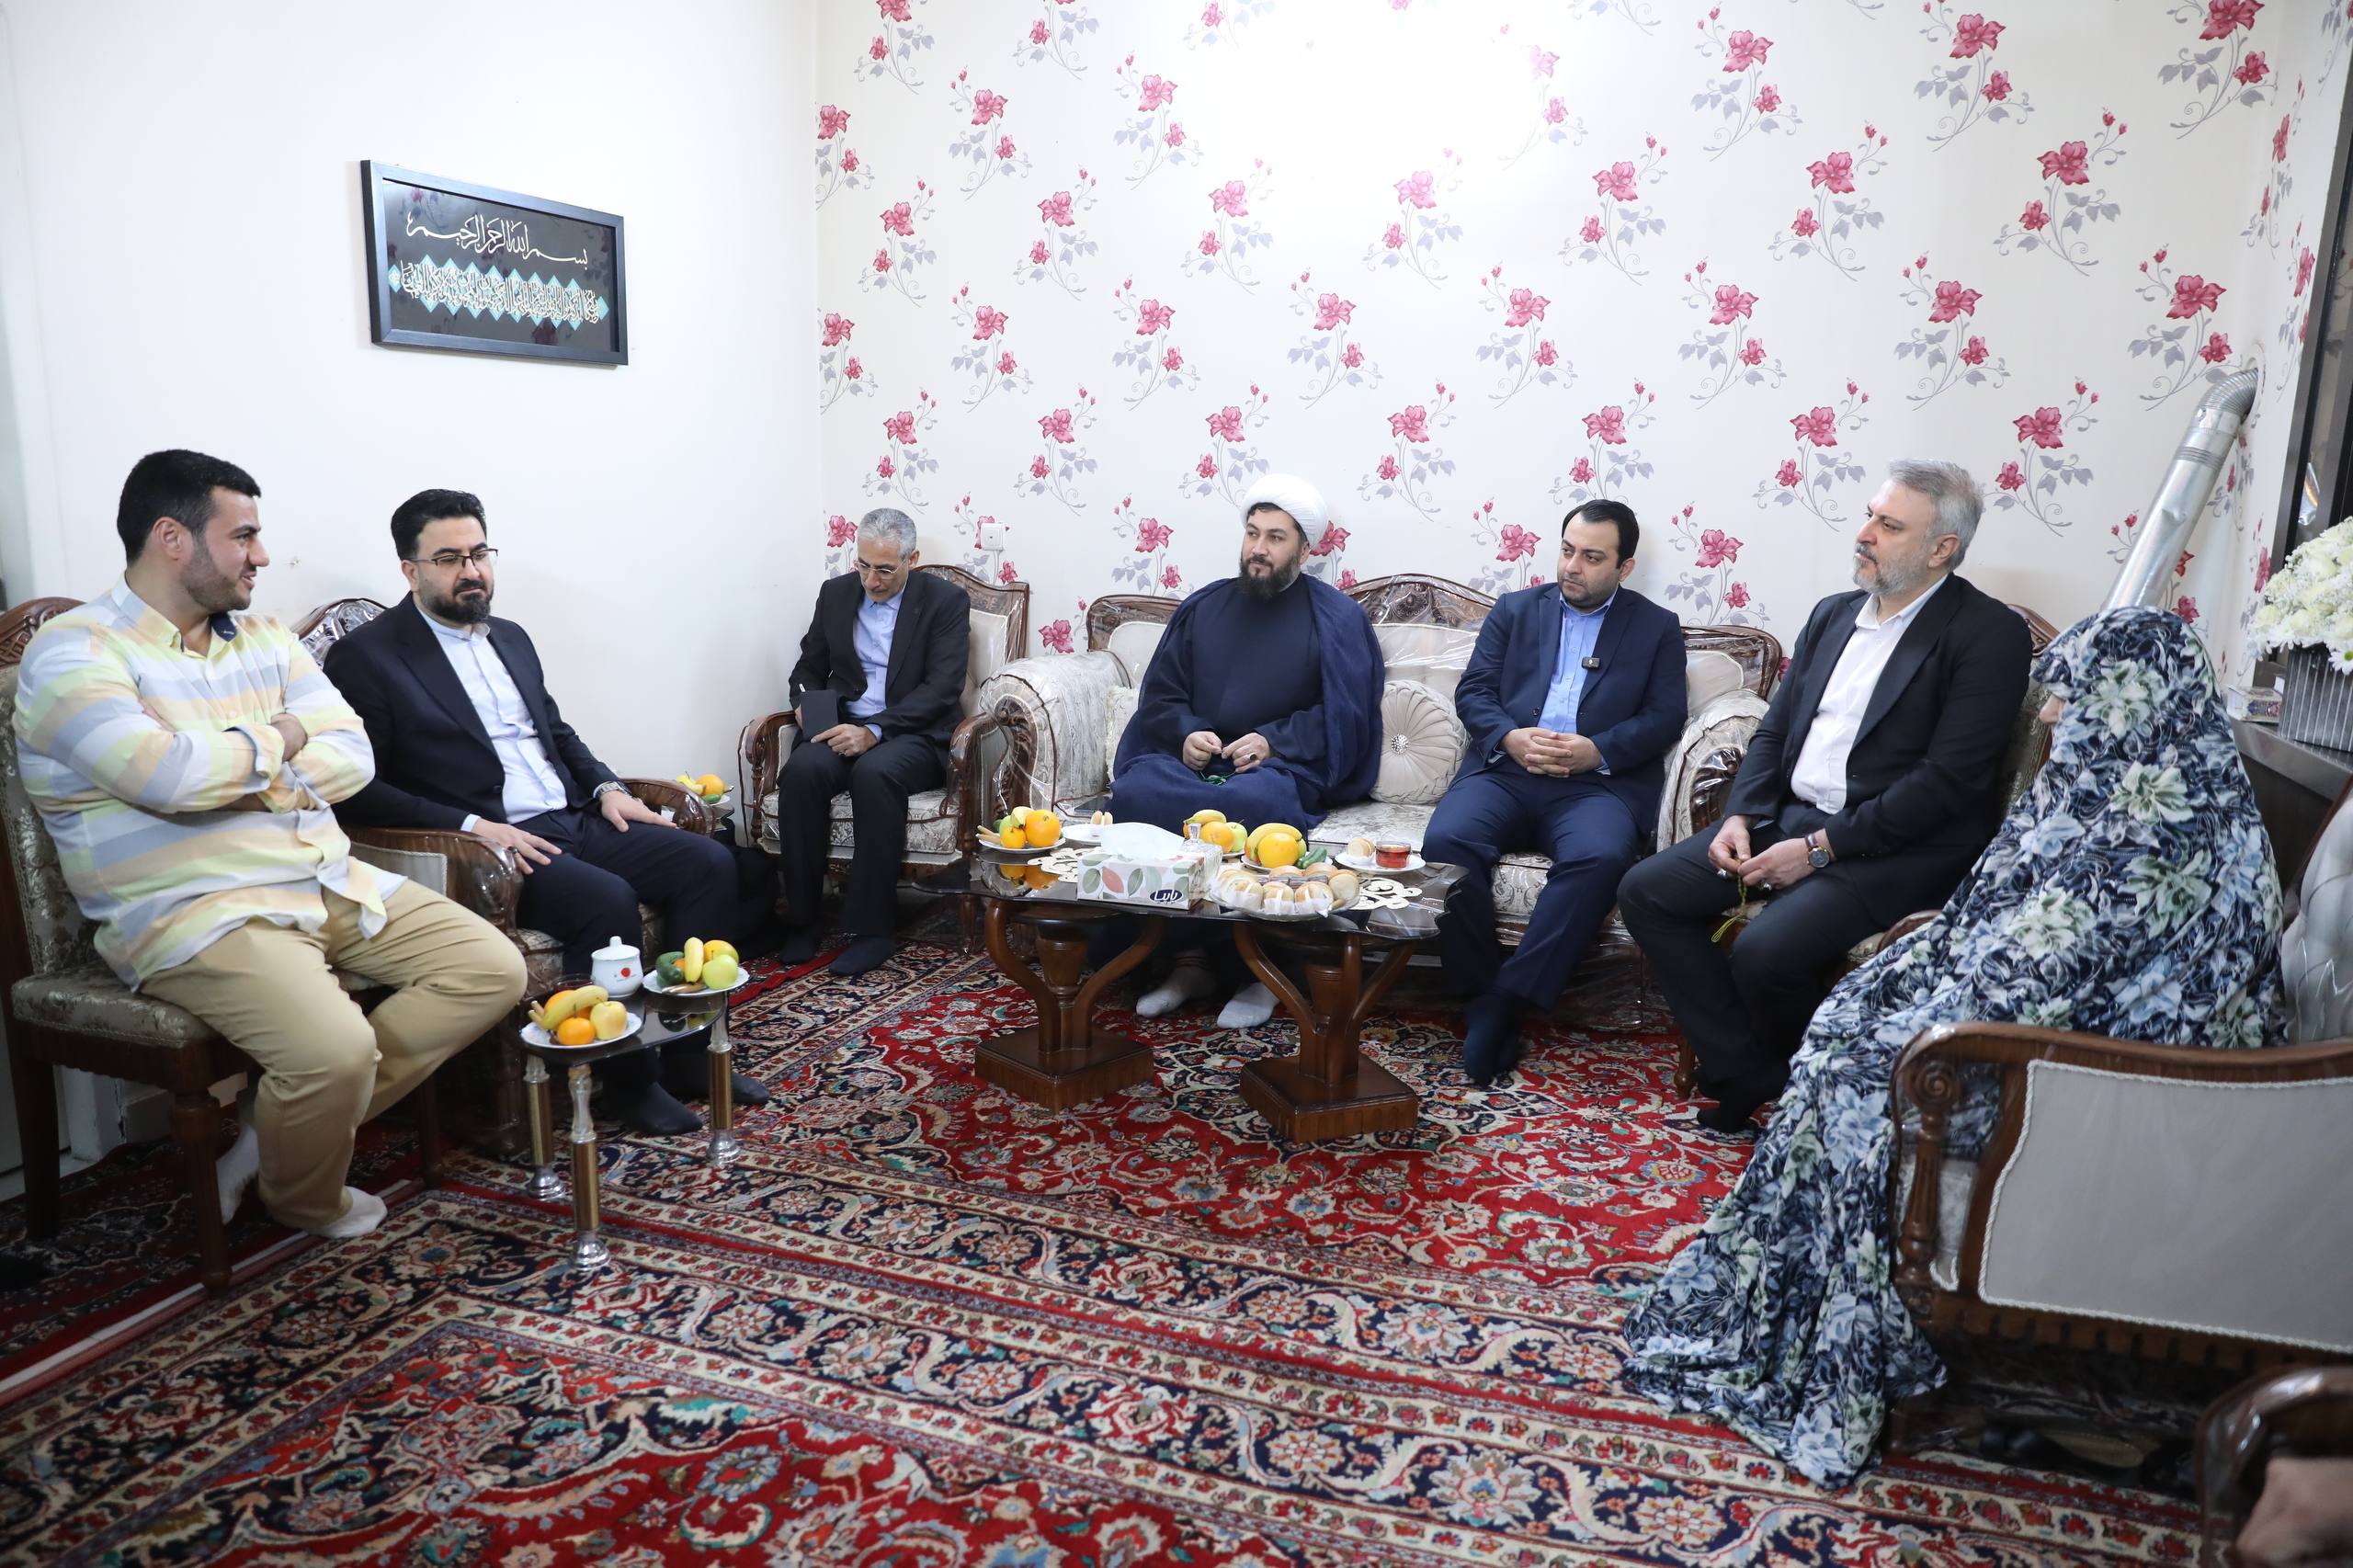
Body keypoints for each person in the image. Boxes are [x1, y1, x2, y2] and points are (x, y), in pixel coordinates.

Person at [1622, 608, 2283, 1489]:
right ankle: (1777, 1243)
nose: (2052, 714)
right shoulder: (2118, 792)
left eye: (2074, 695)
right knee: (1831, 1028)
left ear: (2134, 703)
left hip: (2103, 1082)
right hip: (2047, 1034)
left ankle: (1849, 1340)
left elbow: (2060, 978)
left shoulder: (2163, 833)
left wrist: (1918, 998)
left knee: (1854, 1080)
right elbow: (2023, 937)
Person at [13, 450, 526, 1238]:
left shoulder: (264, 636)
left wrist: (229, 766)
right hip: (195, 909)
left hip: (320, 875)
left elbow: (352, 756)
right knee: (335, 1051)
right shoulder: (74, 652)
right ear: (171, 538)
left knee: (491, 969)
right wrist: (282, 738)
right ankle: (305, 1196)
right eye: (244, 536)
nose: (261, 555)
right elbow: (167, 776)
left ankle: (271, 1131)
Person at [323, 488, 769, 1137]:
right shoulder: (369, 656)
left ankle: (687, 1053)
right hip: (488, 847)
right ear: (409, 571)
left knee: (707, 862)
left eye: (479, 553)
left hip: (571, 817)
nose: (471, 570)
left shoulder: (510, 637)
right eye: (448, 558)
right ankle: (627, 1083)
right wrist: (474, 828)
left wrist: (608, 788)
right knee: (604, 899)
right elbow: (360, 787)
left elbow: (556, 733)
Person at [1617, 460, 2030, 1131]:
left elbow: (1947, 783)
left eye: (1889, 525)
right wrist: (1740, 815)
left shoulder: (1987, 634)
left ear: (1941, 549)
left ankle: (1803, 1093)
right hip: (1789, 818)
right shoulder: (1833, 615)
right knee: (1647, 891)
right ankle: (1751, 1072)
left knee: (1765, 952)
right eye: (1870, 516)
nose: (1864, 533)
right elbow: (1775, 729)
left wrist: (1817, 850)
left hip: (1894, 849)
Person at [1108, 473, 1385, 1028]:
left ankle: (1263, 975)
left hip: (1278, 769)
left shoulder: (1336, 619)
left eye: (1276, 538)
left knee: (1255, 809)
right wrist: (1186, 732)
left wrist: (1275, 740)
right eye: (1253, 533)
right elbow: (1161, 694)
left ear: (1304, 550)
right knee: (1137, 792)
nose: (1259, 548)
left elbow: (1347, 713)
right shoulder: (1204, 606)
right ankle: (1187, 962)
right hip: (1194, 766)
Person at [1424, 500, 1687, 1085]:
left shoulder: (1656, 628)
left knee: (1600, 857)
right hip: (1506, 772)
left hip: (1594, 787)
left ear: (1624, 567)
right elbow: (1474, 691)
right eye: (1568, 550)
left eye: (1592, 557)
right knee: (1447, 841)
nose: (1573, 566)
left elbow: (1665, 716)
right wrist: (1508, 736)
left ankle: (1509, 1000)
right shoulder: (1516, 610)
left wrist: (1599, 750)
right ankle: (1479, 991)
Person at [778, 506, 972, 976]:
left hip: (913, 733)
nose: (871, 580)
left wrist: (875, 731)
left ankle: (872, 930)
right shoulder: (836, 594)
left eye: (884, 569)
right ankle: (802, 920)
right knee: (801, 772)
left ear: (912, 559)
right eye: (863, 565)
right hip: (844, 725)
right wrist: (804, 702)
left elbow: (943, 687)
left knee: (875, 773)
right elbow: (808, 666)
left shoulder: (945, 601)